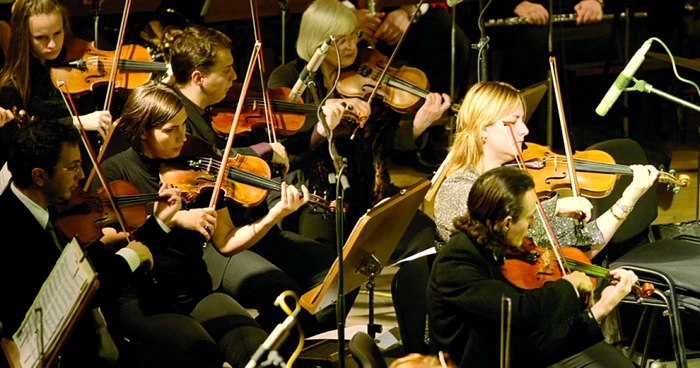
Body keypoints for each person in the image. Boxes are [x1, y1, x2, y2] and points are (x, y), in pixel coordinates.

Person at [97, 82, 338, 363]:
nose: (182, 137)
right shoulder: (114, 173)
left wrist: (275, 216)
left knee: (259, 353)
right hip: (143, 299)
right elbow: (109, 251)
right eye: (170, 130)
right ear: (141, 131)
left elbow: (226, 242)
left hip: (191, 291)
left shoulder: (197, 161)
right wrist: (172, 221)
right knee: (202, 354)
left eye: (184, 126)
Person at [268, 0, 448, 261]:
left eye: (355, 36)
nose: (352, 46)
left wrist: (419, 124)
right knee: (321, 261)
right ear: (318, 42)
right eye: (341, 41)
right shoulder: (287, 81)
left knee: (426, 237)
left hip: (370, 193)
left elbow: (385, 144)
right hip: (315, 199)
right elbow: (287, 153)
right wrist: (321, 128)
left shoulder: (367, 71)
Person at [0, 119, 180, 367]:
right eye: (73, 167)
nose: (82, 175)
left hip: (101, 341)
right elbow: (79, 294)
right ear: (39, 176)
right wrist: (129, 257)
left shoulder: (45, 206)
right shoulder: (11, 233)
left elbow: (91, 262)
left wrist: (157, 222)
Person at [428, 166, 639, 367]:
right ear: (506, 223)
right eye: (529, 217)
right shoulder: (457, 261)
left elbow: (537, 345)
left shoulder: (495, 249)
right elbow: (521, 313)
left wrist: (601, 309)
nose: (532, 226)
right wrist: (569, 284)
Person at [434, 81, 658, 260]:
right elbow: (491, 230)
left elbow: (583, 249)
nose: (525, 129)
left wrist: (627, 200)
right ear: (483, 130)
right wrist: (555, 206)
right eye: (514, 121)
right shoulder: (457, 187)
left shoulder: (519, 182)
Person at [0, 0, 111, 136]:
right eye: (41, 37)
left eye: (58, 33)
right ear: (24, 37)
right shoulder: (13, 84)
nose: (52, 44)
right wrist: (76, 122)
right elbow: (21, 138)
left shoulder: (79, 58)